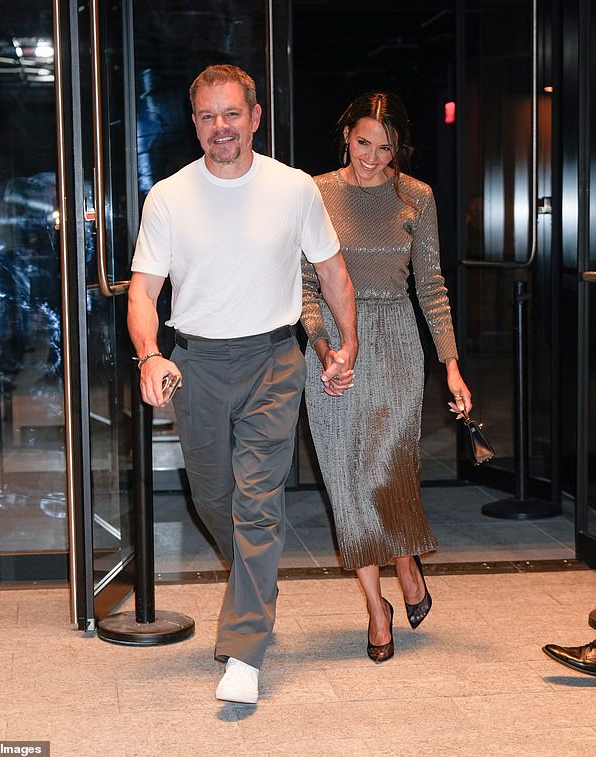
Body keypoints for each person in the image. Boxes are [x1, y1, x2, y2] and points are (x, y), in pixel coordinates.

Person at [127, 64, 357, 704]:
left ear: (255, 117)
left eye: (232, 114)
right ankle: (255, 587)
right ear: (194, 122)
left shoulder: (294, 189)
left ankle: (246, 652)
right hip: (196, 364)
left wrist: (349, 341)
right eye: (208, 116)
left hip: (274, 362)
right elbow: (144, 291)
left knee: (259, 502)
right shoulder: (168, 196)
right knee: (214, 498)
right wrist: (150, 354)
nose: (220, 127)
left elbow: (332, 270)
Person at [301, 91, 472, 662]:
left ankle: (406, 561)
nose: (372, 158)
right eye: (363, 143)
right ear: (346, 133)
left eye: (386, 147)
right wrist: (324, 348)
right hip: (332, 348)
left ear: (400, 146)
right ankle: (378, 606)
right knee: (346, 482)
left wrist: (451, 367)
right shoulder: (317, 193)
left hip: (396, 342)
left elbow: (432, 287)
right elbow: (303, 283)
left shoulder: (415, 197)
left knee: (387, 467)